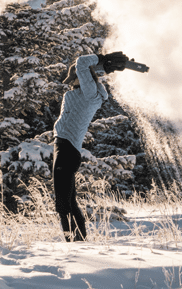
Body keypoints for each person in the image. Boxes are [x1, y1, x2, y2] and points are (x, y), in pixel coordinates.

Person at [52, 50, 134, 242]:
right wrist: (101, 68)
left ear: (83, 78)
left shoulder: (90, 94)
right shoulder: (85, 92)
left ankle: (75, 243)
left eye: (74, 79)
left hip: (66, 149)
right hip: (64, 149)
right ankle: (77, 241)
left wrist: (101, 58)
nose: (71, 84)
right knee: (68, 201)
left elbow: (81, 63)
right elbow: (85, 73)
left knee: (63, 204)